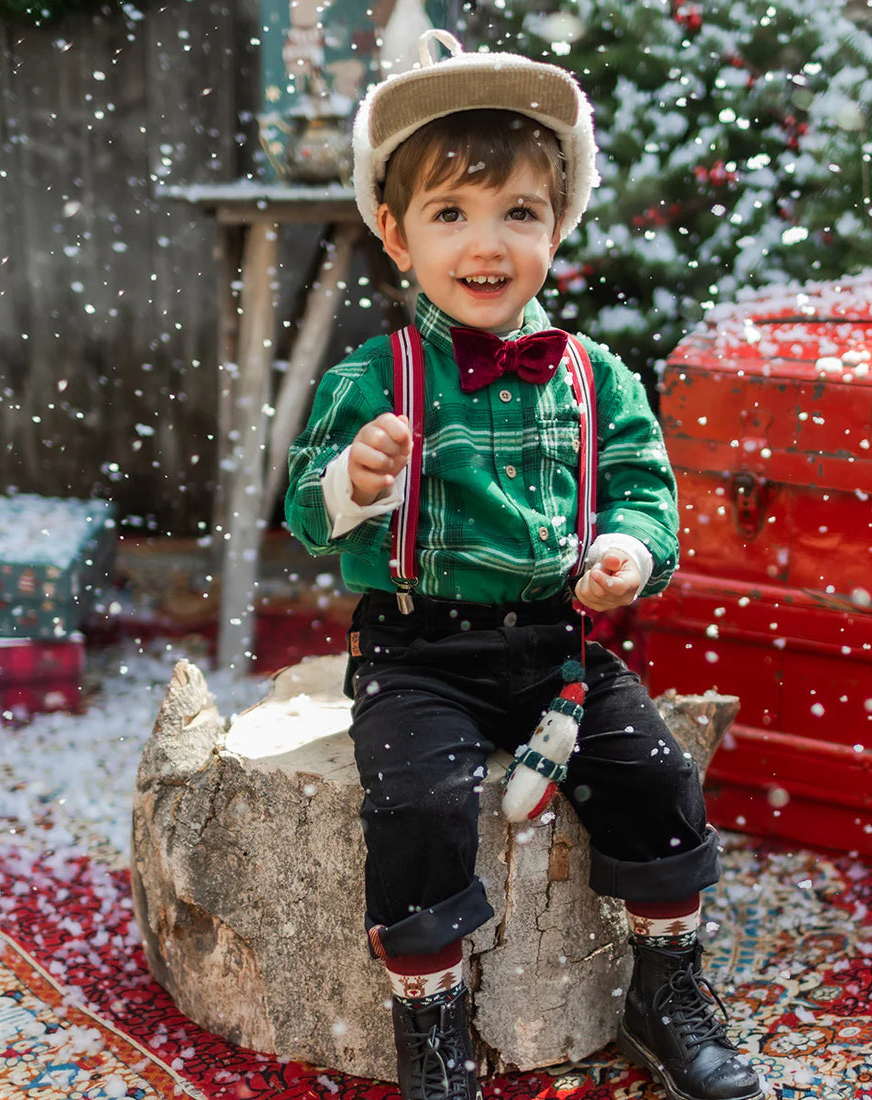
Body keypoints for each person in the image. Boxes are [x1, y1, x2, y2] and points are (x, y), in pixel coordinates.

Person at [285, 29, 763, 1100]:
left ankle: (662, 988)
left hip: (560, 640)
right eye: (449, 213)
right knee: (417, 801)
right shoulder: (378, 374)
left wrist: (628, 550)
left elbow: (643, 489)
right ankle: (433, 1021)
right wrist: (356, 481)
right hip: (418, 648)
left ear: (559, 225)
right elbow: (305, 515)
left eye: (518, 212)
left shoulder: (595, 376)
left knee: (656, 774)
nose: (485, 241)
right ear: (396, 237)